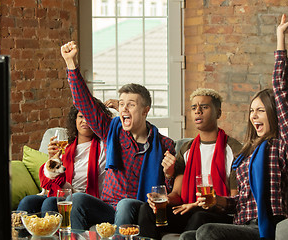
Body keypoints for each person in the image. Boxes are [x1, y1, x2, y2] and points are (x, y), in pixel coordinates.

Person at [180, 8, 288, 240]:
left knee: (206, 231)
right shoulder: (248, 153)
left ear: (274, 114)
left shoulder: (285, 144)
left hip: (264, 226)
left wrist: (280, 36)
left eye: (260, 111)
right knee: (188, 236)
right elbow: (241, 202)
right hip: (241, 222)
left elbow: (282, 90)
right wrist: (217, 200)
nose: (253, 116)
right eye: (251, 111)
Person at [61, 41, 176, 229]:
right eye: (121, 104)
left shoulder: (165, 145)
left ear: (145, 110)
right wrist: (71, 64)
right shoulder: (111, 131)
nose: (124, 108)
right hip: (108, 207)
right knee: (78, 200)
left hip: (139, 208)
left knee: (125, 203)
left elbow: (168, 194)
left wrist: (169, 174)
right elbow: (85, 104)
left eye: (131, 104)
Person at [137, 88, 242, 239]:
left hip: (219, 214)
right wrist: (162, 199)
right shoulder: (186, 149)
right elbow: (177, 194)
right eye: (194, 108)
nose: (197, 111)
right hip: (188, 209)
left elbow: (236, 199)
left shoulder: (234, 149)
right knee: (146, 209)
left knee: (200, 216)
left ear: (218, 113)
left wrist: (209, 202)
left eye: (204, 107)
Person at [17, 102, 111, 213]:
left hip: (83, 199)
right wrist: (51, 160)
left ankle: (51, 230)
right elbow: (50, 182)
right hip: (60, 194)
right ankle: (17, 230)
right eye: (81, 116)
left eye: (89, 117)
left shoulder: (104, 146)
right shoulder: (65, 147)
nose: (85, 121)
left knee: (50, 202)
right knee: (27, 201)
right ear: (74, 119)